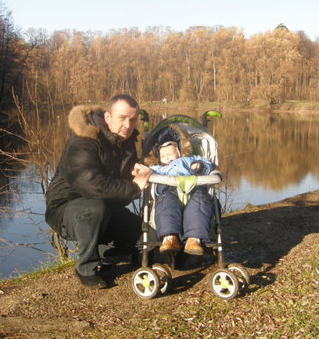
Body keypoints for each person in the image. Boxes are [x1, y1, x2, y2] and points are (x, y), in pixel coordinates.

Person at [45, 95, 152, 289]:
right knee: (94, 208)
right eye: (122, 118)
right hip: (66, 208)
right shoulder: (83, 140)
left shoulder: (126, 141)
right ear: (107, 117)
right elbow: (90, 184)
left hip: (105, 208)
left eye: (132, 119)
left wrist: (137, 171)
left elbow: (118, 181)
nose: (127, 125)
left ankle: (104, 250)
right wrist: (134, 187)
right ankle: (86, 268)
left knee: (147, 237)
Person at [148, 128, 215, 256]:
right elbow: (147, 172)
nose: (167, 158)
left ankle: (193, 239)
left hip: (193, 190)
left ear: (179, 152)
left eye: (171, 154)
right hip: (169, 191)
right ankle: (169, 237)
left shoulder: (190, 160)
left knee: (200, 200)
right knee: (166, 203)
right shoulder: (158, 168)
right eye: (163, 156)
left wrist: (199, 166)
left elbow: (208, 164)